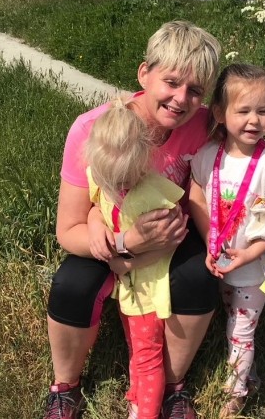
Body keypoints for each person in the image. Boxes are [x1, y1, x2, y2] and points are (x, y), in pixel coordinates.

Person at [44, 20, 265, 419]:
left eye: (195, 90)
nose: (181, 99)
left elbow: (249, 153)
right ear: (144, 73)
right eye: (171, 82)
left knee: (198, 278)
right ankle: (65, 388)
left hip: (173, 239)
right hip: (109, 238)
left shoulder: (204, 125)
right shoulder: (94, 129)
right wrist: (124, 247)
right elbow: (68, 230)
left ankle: (173, 386)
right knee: (72, 284)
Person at [189, 63, 265, 418]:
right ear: (219, 113)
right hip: (220, 260)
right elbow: (196, 193)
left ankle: (236, 394)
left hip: (254, 268)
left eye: (263, 111)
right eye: (243, 111)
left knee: (240, 330)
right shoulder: (207, 155)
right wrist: (210, 243)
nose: (254, 120)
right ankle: (251, 374)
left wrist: (248, 255)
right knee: (230, 320)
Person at [85, 99, 185, 419]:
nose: (116, 187)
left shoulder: (154, 194)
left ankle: (147, 411)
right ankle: (138, 396)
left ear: (144, 163)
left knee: (148, 356)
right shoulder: (101, 176)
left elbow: (173, 239)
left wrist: (127, 263)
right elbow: (95, 206)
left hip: (147, 290)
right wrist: (94, 225)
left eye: (123, 180)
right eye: (110, 180)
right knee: (135, 346)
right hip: (128, 289)